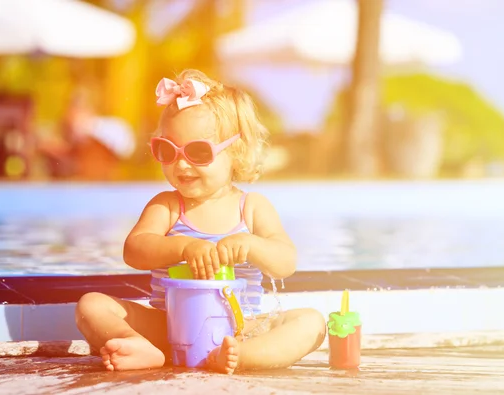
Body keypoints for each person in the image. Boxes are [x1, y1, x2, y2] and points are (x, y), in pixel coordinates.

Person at [75, 69, 326, 374]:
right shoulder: (167, 206)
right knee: (92, 305)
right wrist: (182, 247)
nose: (181, 164)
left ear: (236, 151)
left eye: (197, 152)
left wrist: (251, 244)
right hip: (170, 327)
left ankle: (245, 355)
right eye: (167, 150)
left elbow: (285, 263)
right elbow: (135, 250)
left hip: (241, 328)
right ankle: (139, 345)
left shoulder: (252, 208)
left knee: (312, 323)